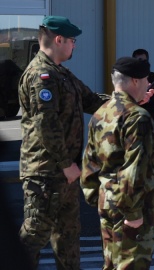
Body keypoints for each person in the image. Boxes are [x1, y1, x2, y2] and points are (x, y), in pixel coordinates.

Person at [16, 16, 110, 269]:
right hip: (46, 171)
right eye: (72, 41)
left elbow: (91, 100)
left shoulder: (62, 74)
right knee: (35, 233)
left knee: (67, 237)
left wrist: (129, 100)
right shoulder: (41, 76)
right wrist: (66, 163)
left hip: (65, 172)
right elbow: (46, 124)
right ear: (59, 40)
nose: (74, 46)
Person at [80, 57, 154, 269]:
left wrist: (95, 196)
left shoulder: (100, 113)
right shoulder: (138, 117)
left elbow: (90, 161)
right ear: (135, 81)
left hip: (107, 201)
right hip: (131, 207)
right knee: (131, 264)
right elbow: (134, 169)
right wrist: (133, 214)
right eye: (145, 80)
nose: (147, 84)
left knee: (112, 263)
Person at [132, 48, 154, 121]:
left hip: (148, 119)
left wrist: (148, 99)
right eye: (139, 61)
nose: (142, 64)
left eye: (145, 61)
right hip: (132, 118)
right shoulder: (129, 78)